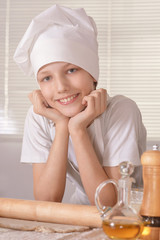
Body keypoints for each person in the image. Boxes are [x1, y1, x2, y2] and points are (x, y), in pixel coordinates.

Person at [14, 4, 146, 206]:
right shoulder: (40, 116)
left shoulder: (122, 110)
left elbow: (111, 205)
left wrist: (77, 129)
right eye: (47, 78)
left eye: (71, 70)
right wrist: (61, 126)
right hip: (80, 213)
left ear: (92, 73)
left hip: (132, 216)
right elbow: (47, 200)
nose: (61, 88)